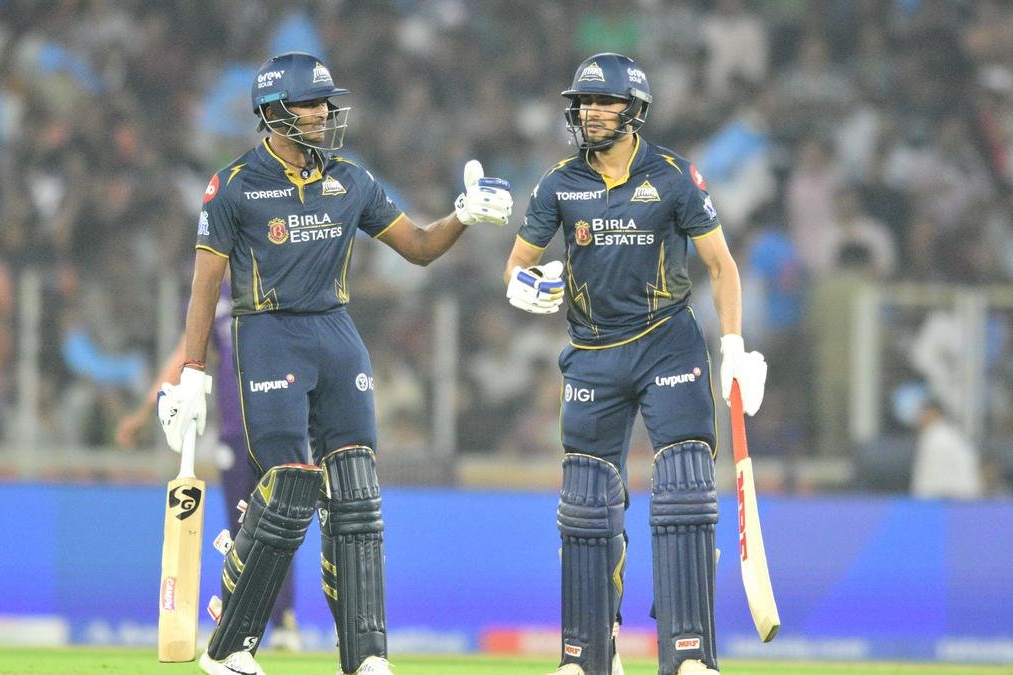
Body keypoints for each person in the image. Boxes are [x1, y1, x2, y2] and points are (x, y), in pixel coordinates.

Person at [157, 52, 513, 675]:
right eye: (310, 104)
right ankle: (231, 646)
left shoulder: (350, 179)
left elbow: (418, 247)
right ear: (274, 112)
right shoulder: (234, 185)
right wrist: (192, 373)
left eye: (326, 103)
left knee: (358, 496)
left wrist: (463, 215)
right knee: (288, 488)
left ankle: (367, 655)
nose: (323, 113)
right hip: (269, 335)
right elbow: (204, 285)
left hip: (337, 334)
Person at [502, 53, 767, 675]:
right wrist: (522, 286)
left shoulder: (673, 176)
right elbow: (516, 265)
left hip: (667, 343)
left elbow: (722, 265)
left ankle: (689, 653)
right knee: (586, 505)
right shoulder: (558, 183)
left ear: (635, 110)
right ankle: (588, 654)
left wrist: (733, 347)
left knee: (684, 492)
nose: (590, 113)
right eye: (584, 103)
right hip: (593, 353)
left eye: (604, 102)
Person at [116, 282, 302, 652]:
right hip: (234, 435)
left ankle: (283, 620)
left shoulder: (278, 281)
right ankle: (239, 623)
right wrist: (145, 411)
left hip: (278, 428)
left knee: (279, 524)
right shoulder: (215, 296)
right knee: (240, 531)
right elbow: (186, 357)